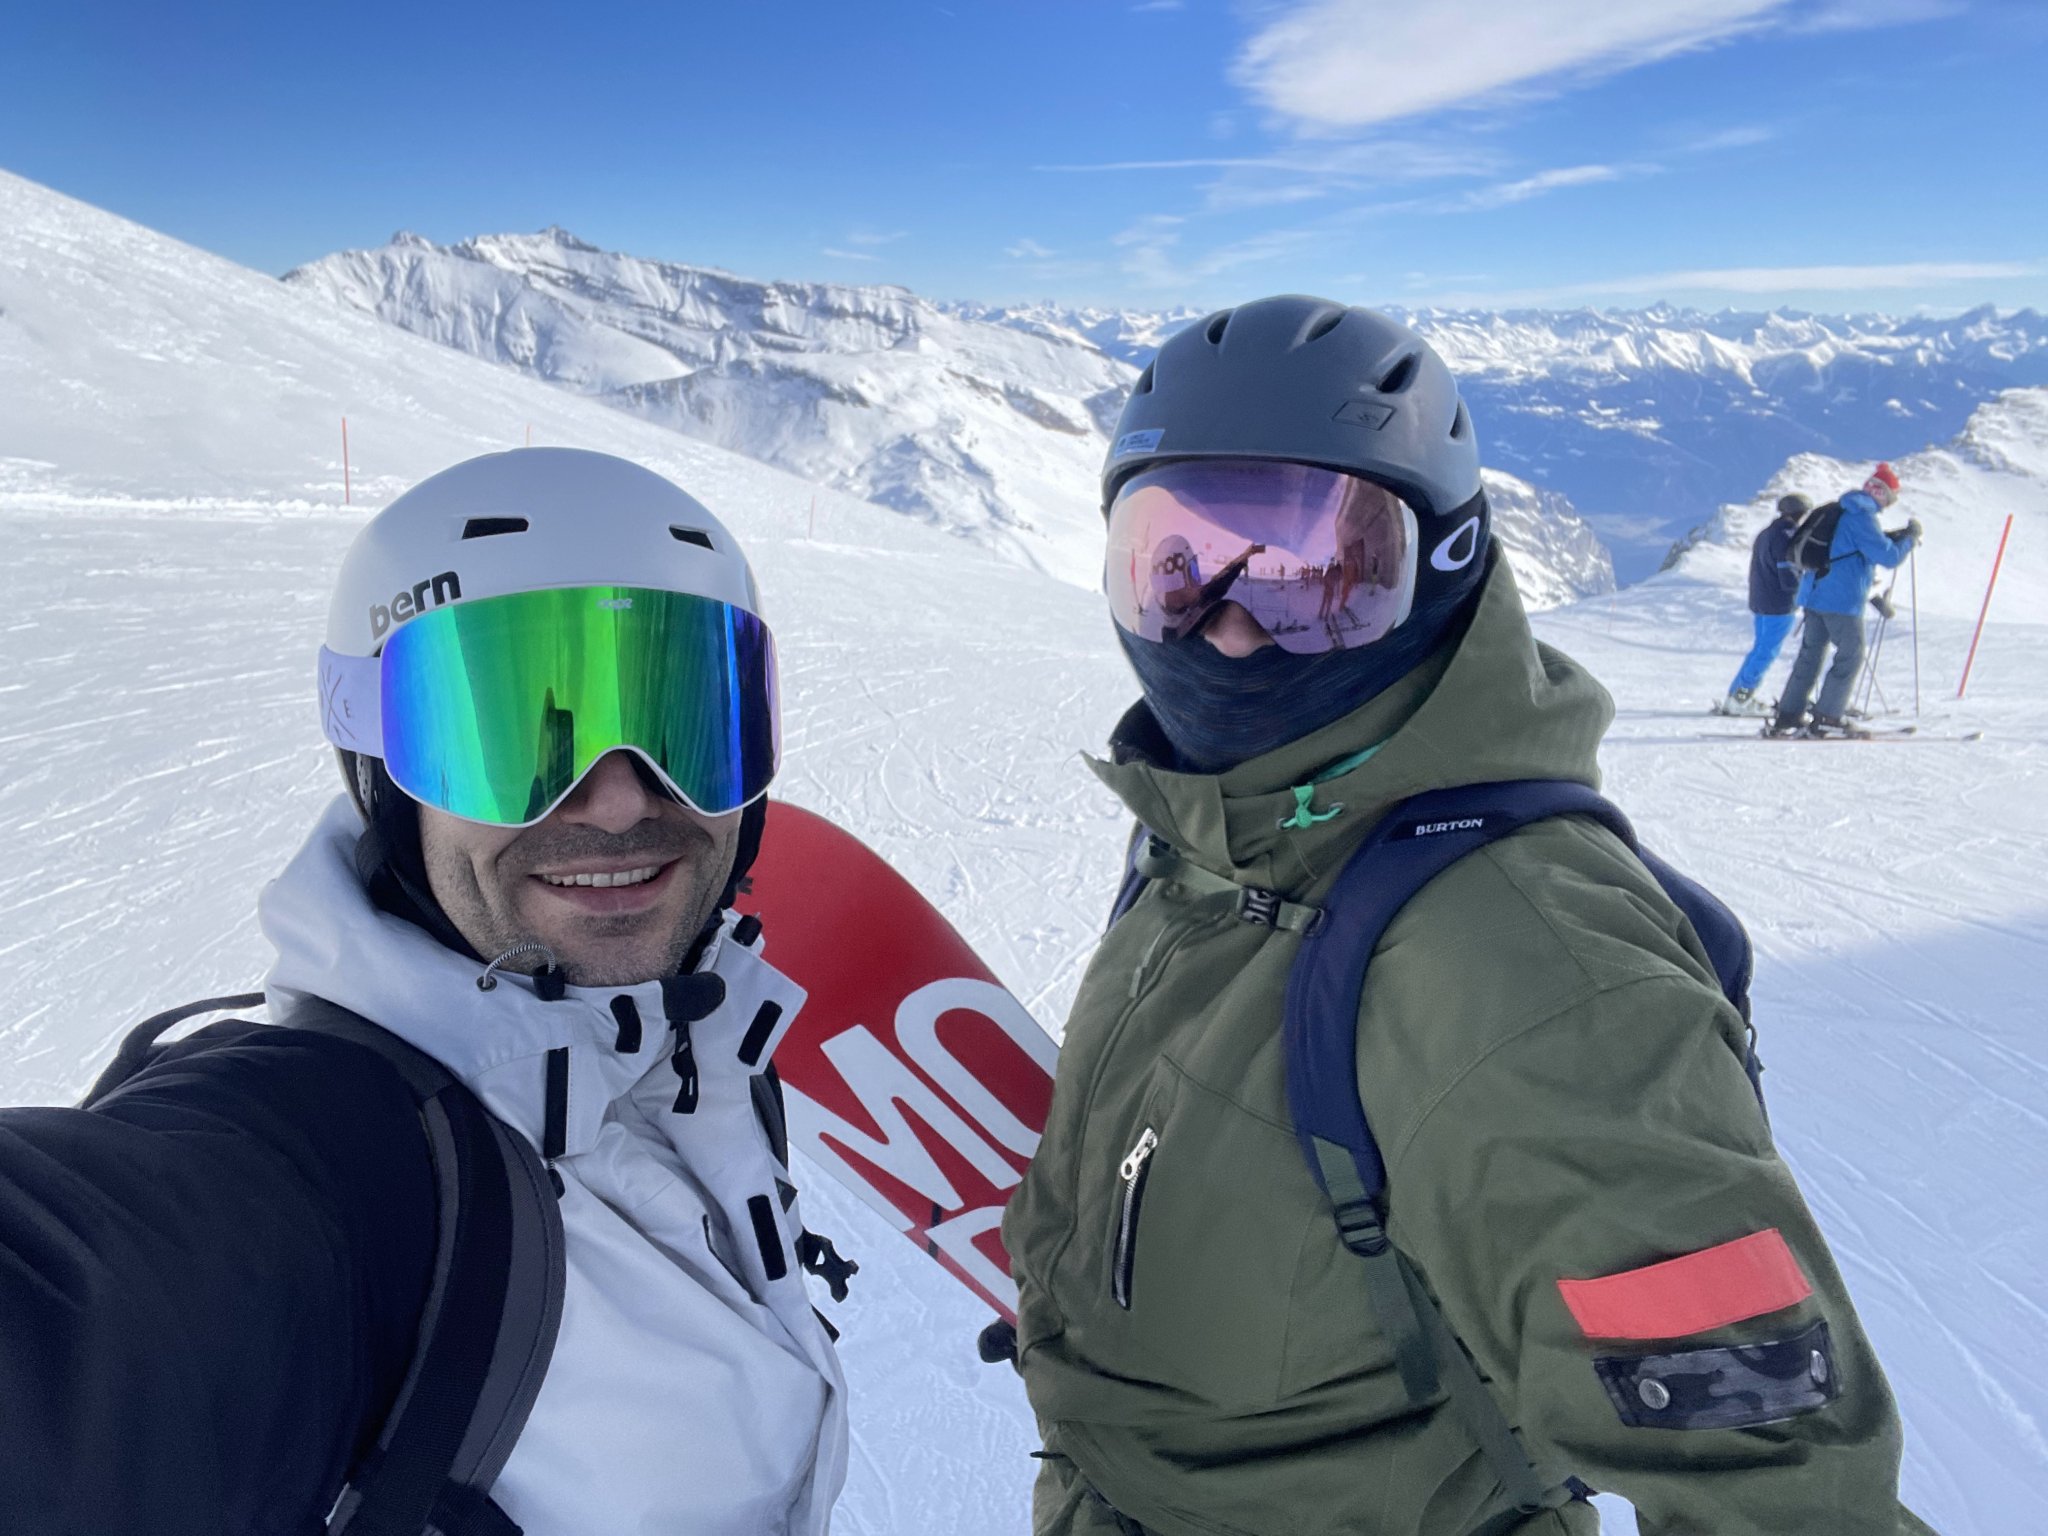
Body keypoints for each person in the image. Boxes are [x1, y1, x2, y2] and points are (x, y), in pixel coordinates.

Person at [1002, 297, 1934, 1535]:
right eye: (1170, 565)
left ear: (1445, 567)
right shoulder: (1219, 829)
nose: (1225, 627)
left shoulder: (1525, 962)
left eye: (1316, 578)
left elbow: (1780, 1489)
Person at [0, 449, 848, 1534]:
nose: (623, 797)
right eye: (515, 735)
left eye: (685, 714)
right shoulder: (320, 1166)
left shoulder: (704, 1045)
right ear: (378, 770)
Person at [1767, 463, 1921, 738]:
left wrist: (1892, 538)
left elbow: (1855, 545)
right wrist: (1909, 539)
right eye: (1891, 497)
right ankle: (1828, 716)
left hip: (1814, 595)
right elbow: (1888, 557)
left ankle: (1788, 714)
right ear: (1882, 495)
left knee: (1810, 656)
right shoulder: (1862, 517)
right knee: (1851, 655)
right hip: (1841, 600)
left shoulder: (1840, 509)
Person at [1713, 491, 1810, 716]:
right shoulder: (1787, 537)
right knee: (1767, 652)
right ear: (1800, 514)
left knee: (1759, 649)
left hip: (1761, 600)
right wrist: (1804, 590)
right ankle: (1741, 698)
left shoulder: (1766, 533)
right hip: (1780, 604)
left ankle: (1735, 695)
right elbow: (1789, 577)